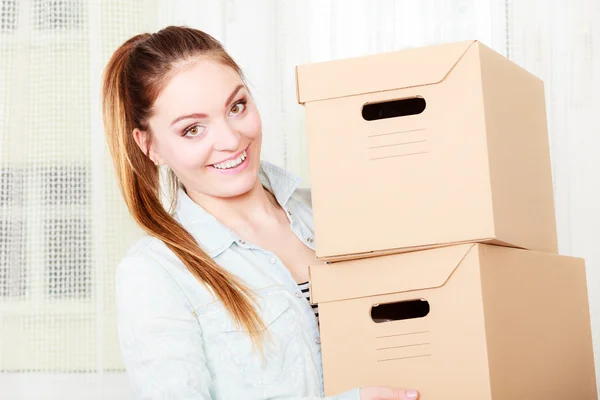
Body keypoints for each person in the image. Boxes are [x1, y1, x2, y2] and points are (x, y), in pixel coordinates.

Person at [101, 25, 420, 400]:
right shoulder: (155, 274)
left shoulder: (330, 212)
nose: (231, 140)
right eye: (192, 130)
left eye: (237, 107)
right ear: (150, 145)